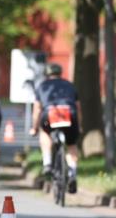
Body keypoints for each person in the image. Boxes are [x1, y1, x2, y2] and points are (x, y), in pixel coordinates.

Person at [29, 63, 80, 193]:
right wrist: (79, 124)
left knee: (44, 132)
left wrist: (34, 127)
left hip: (50, 114)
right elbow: (78, 107)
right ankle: (72, 171)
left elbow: (37, 109)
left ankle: (47, 162)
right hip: (69, 113)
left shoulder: (42, 87)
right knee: (71, 144)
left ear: (47, 74)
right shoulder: (70, 85)